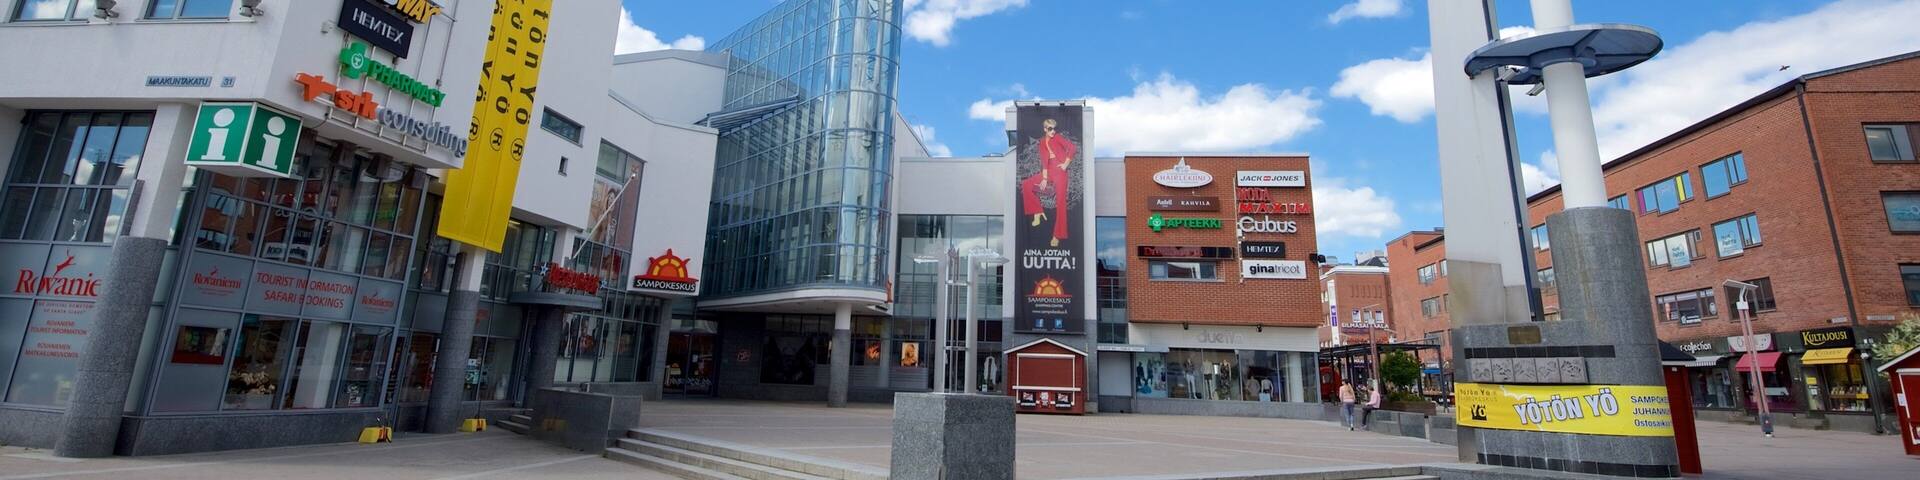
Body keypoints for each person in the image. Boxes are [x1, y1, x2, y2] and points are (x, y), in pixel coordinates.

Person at [1019, 118, 1077, 247]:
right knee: (1026, 184)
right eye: (1050, 129)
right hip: (1049, 170)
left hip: (1060, 172)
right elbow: (1044, 163)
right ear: (1045, 129)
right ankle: (1037, 211)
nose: (1053, 131)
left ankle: (1057, 235)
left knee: (1060, 203)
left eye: (1054, 128)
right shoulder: (1041, 142)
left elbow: (1072, 148)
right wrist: (1044, 179)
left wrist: (1065, 164)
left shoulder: (1057, 138)